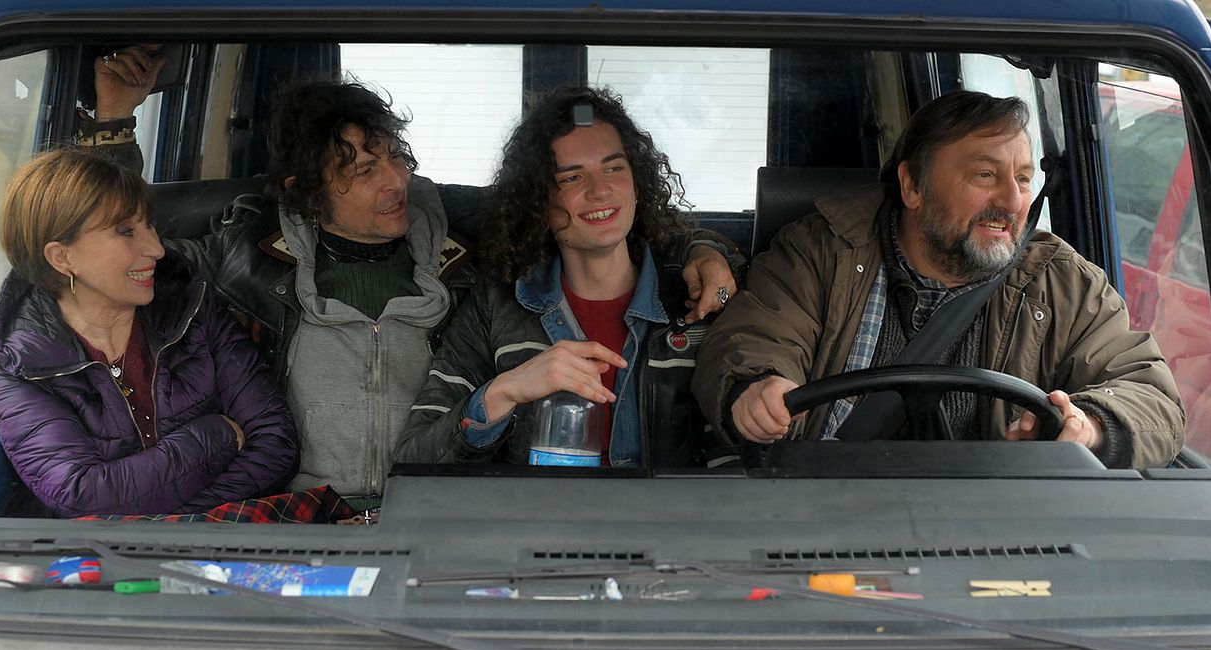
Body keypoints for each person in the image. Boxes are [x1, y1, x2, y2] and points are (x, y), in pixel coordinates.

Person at [87, 64, 741, 496]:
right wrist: (113, 120)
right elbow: (109, 244)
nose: (395, 181)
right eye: (364, 169)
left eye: (396, 156)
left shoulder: (467, 248)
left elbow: (603, 218)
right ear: (307, 191)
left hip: (424, 519)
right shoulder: (242, 254)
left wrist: (708, 248)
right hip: (300, 514)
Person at [691, 90, 1184, 468]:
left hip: (997, 535)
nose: (1014, 201)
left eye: (1024, 178)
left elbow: (1152, 395)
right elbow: (754, 342)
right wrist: (754, 389)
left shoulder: (1062, 282)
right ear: (912, 186)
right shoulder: (822, 249)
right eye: (985, 176)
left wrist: (1091, 424)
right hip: (821, 509)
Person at [395, 86, 731, 468]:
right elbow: (413, 460)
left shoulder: (696, 293)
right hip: (539, 526)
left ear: (638, 182)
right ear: (537, 200)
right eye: (571, 178)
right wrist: (504, 391)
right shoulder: (496, 305)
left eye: (614, 168)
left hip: (668, 526)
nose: (600, 190)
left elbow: (739, 462)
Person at [0, 150, 299, 516]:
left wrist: (168, 520)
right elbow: (82, 496)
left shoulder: (193, 308)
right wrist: (218, 436)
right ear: (62, 258)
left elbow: (276, 443)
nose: (156, 248)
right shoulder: (22, 366)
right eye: (126, 231)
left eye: (150, 225)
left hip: (217, 538)